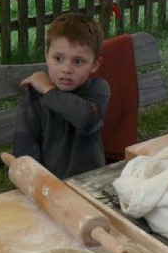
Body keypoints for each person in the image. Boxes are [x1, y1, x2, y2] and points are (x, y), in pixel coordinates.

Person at [11, 12, 109, 179]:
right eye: (58, 58)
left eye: (78, 61)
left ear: (95, 64)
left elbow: (85, 118)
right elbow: (25, 158)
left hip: (94, 182)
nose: (66, 69)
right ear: (47, 56)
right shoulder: (31, 104)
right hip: (50, 188)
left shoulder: (97, 88)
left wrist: (49, 89)